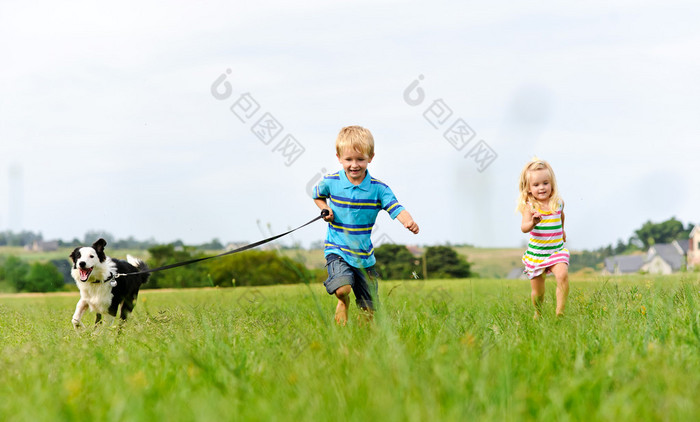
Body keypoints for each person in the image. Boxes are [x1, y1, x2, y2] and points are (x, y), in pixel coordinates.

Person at [312, 125, 419, 325]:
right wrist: (325, 208)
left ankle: (362, 342)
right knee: (342, 288)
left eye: (360, 159)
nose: (354, 165)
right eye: (348, 159)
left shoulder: (378, 189)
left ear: (371, 157)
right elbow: (316, 195)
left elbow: (395, 207)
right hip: (337, 248)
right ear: (338, 158)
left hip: (364, 255)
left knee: (368, 308)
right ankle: (343, 302)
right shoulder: (331, 182)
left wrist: (408, 221)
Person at [517, 158, 569, 318]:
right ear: (529, 188)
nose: (542, 188)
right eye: (536, 185)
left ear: (551, 183)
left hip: (556, 251)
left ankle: (560, 313)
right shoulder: (530, 207)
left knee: (562, 275)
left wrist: (562, 230)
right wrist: (533, 222)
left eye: (545, 183)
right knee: (538, 292)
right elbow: (524, 227)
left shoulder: (558, 203)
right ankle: (538, 312)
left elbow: (561, 216)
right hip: (537, 254)